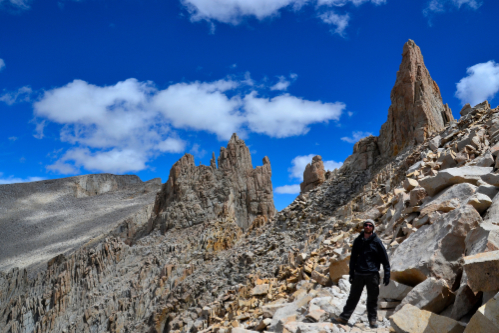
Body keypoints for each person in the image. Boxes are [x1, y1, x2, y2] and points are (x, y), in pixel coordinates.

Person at [333, 219, 390, 329]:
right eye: (366, 225)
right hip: (359, 273)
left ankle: (372, 321)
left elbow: (385, 259)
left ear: (373, 228)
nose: (368, 226)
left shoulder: (377, 242)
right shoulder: (358, 241)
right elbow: (353, 258)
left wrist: (387, 274)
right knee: (353, 297)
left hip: (372, 274)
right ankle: (344, 318)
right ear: (363, 227)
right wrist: (351, 273)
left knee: (372, 298)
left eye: (370, 225)